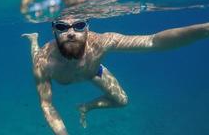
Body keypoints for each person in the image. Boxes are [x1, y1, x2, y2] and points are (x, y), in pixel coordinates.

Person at [22, 16, 209, 135]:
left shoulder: (102, 41)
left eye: (78, 25)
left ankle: (86, 107)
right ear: (54, 29)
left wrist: (204, 29)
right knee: (35, 55)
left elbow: (153, 41)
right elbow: (46, 104)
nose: (71, 32)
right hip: (64, 75)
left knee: (122, 101)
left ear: (87, 27)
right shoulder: (44, 62)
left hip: (92, 71)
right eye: (62, 27)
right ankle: (34, 39)